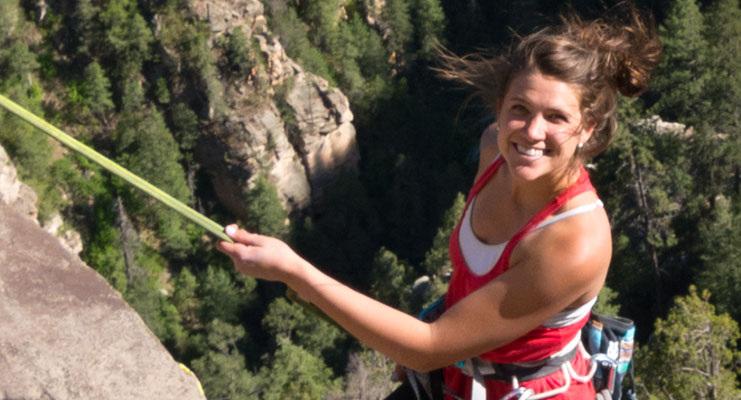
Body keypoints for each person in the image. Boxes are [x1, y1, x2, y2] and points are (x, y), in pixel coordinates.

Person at [217, 5, 661, 399]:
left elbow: (428, 348)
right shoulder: (495, 150)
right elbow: (459, 305)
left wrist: (294, 272)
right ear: (501, 107)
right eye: (520, 109)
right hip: (457, 377)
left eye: (557, 118)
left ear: (588, 128)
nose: (531, 132)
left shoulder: (574, 241)